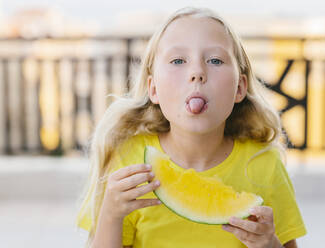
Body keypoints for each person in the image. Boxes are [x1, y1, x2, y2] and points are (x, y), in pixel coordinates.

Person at [76, 6, 307, 248]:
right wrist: (111, 215)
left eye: (215, 60)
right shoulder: (129, 160)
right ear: (154, 89)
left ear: (239, 87)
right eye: (178, 61)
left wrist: (269, 243)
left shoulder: (265, 164)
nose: (197, 72)